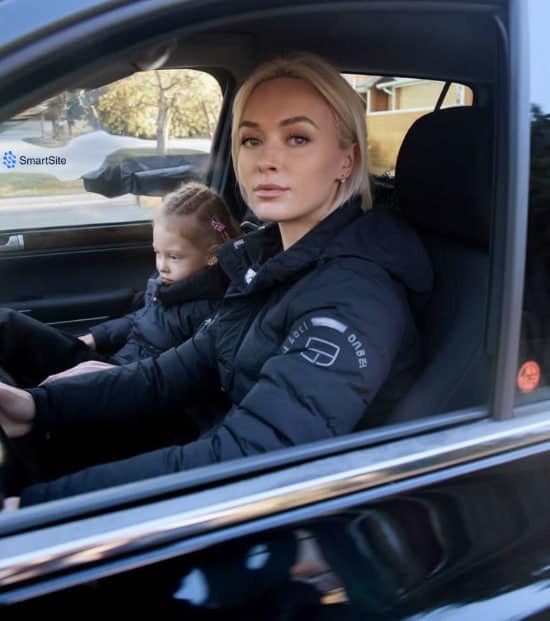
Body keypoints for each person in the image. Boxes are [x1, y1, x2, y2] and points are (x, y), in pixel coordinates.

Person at [0, 52, 432, 510]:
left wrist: (34, 508)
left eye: (298, 138)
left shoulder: (354, 300)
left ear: (346, 160)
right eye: (251, 140)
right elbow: (168, 376)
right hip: (213, 447)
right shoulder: (267, 261)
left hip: (286, 513)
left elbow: (249, 461)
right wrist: (37, 405)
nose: (267, 160)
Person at [0, 182, 237, 387]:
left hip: (132, 383)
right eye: (157, 252)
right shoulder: (168, 284)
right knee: (7, 324)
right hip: (116, 365)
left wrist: (113, 374)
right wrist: (95, 337)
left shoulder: (212, 310)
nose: (162, 265)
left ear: (212, 255)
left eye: (173, 256)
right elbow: (141, 319)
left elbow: (178, 374)